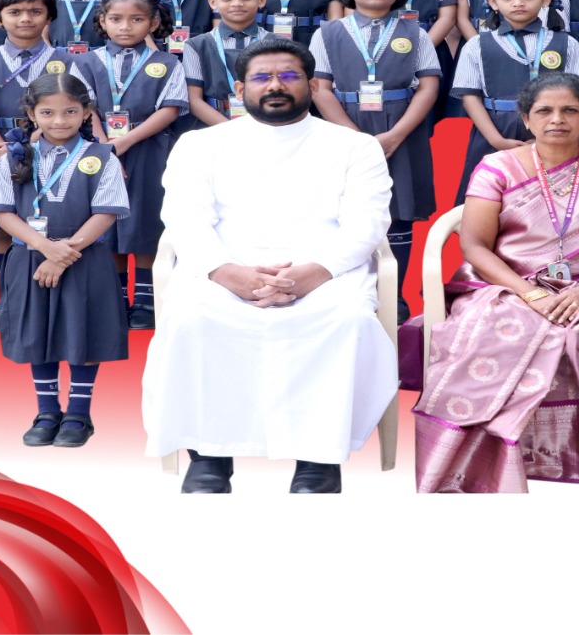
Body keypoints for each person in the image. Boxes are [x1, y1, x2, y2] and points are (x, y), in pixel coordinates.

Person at [144, 37, 397, 494]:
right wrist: (229, 273)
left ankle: (319, 460)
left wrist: (312, 274)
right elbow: (184, 218)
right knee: (192, 320)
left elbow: (368, 223)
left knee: (347, 320)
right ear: (240, 89)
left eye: (288, 76)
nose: (275, 86)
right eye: (261, 78)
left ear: (313, 85)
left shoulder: (355, 147)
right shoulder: (199, 144)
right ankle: (209, 456)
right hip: (224, 269)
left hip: (324, 271)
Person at [416, 73, 579, 492]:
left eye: (570, 110)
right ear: (526, 119)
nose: (557, 119)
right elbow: (475, 246)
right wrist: (529, 293)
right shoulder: (497, 167)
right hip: (509, 282)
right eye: (545, 111)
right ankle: (490, 458)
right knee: (494, 328)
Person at [0, 74, 130, 448]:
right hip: (30, 259)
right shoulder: (13, 156)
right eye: (47, 112)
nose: (60, 120)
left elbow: (106, 213)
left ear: (86, 113)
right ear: (32, 113)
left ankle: (79, 413)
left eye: (70, 112)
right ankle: (47, 411)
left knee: (83, 331)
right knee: (37, 332)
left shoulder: (103, 157)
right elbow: (2, 211)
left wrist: (62, 255)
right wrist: (43, 247)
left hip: (85, 258)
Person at [0, 0, 96, 332]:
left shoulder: (64, 60)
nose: (25, 19)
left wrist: (32, 140)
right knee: (4, 225)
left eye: (36, 11)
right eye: (15, 12)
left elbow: (83, 105)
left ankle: (47, 289)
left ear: (49, 17)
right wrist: (1, 146)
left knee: (45, 216)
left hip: (54, 148)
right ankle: (6, 298)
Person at [310, 0, 440, 321]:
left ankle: (393, 296)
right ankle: (350, 290)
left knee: (399, 210)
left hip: (401, 130)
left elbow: (428, 87)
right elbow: (320, 88)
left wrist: (397, 134)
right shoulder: (328, 33)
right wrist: (355, 139)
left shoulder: (416, 33)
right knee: (343, 208)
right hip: (345, 129)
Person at [85, 0, 186, 329]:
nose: (125, 26)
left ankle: (145, 297)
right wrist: (105, 147)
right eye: (116, 19)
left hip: (150, 147)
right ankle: (115, 296)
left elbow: (170, 109)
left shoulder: (167, 63)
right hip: (97, 151)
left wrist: (125, 142)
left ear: (153, 23)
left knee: (146, 216)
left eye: (137, 19)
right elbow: (84, 107)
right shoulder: (85, 61)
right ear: (103, 21)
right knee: (108, 217)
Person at [451, 0, 579, 203]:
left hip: (553, 132)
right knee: (489, 202)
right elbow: (470, 97)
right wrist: (496, 140)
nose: (518, 3)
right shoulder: (476, 45)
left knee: (551, 204)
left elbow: (578, 97)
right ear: (493, 2)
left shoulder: (568, 44)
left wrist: (544, 138)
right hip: (495, 131)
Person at [183, 0, 271, 128]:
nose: (237, 3)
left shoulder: (277, 44)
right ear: (212, 2)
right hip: (213, 127)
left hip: (266, 124)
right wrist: (229, 130)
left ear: (261, 0)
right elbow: (194, 100)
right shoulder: (196, 45)